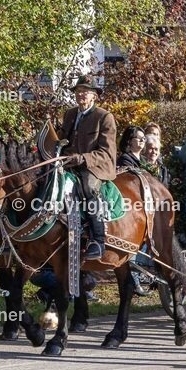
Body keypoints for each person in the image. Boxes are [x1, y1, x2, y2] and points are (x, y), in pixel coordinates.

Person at [60, 75, 118, 260]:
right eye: (78, 91)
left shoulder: (105, 117)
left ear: (94, 95)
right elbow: (62, 139)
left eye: (85, 91)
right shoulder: (69, 114)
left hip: (96, 166)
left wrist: (82, 158)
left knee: (88, 186)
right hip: (69, 163)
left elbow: (107, 153)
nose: (80, 95)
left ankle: (98, 240)